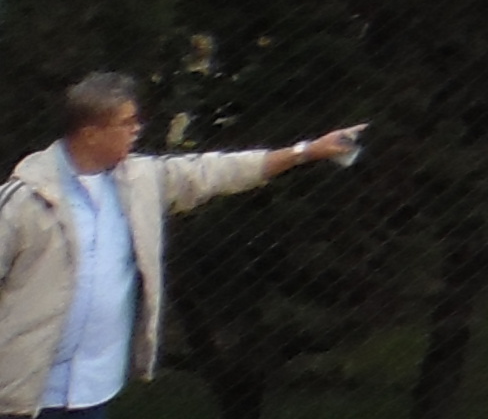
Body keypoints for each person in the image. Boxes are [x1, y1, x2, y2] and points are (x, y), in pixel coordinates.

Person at [0, 73, 362, 419]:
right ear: (91, 134)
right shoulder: (24, 199)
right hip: (24, 390)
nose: (137, 130)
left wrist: (305, 152)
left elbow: (216, 171)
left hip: (94, 387)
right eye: (126, 123)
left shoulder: (142, 180)